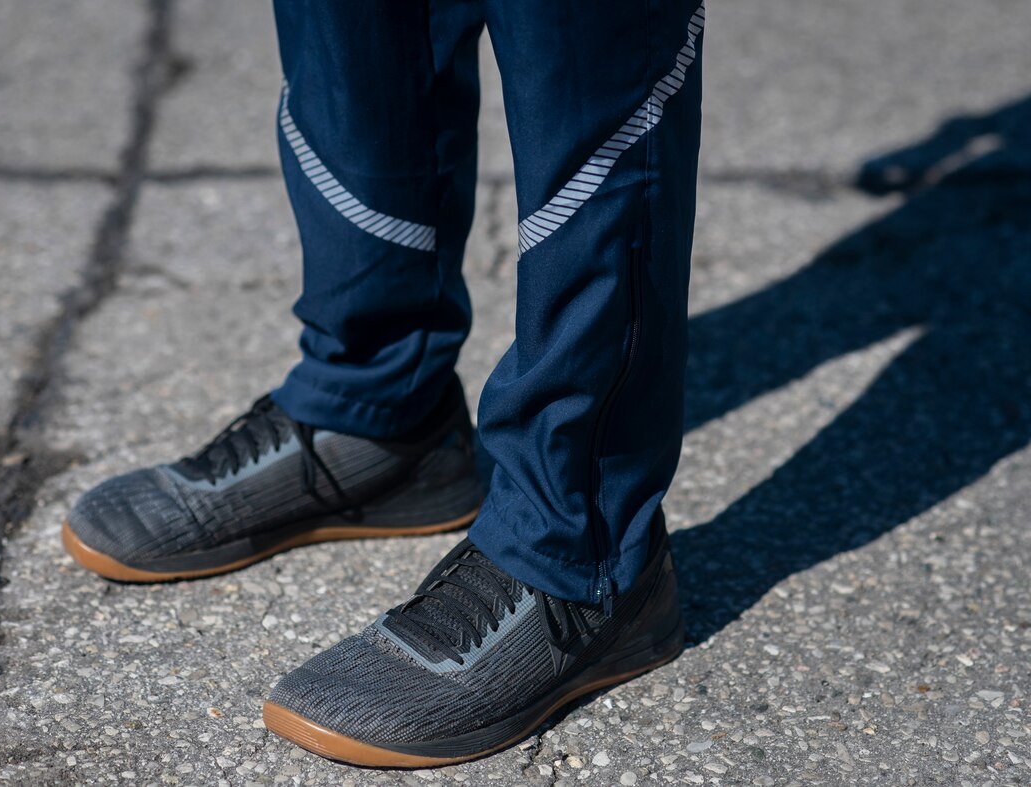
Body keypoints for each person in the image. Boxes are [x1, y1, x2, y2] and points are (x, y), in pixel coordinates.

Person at [62, 0, 705, 767]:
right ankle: (376, 404)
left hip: (581, 548)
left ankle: (581, 548)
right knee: (354, 25)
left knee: (580, 42)